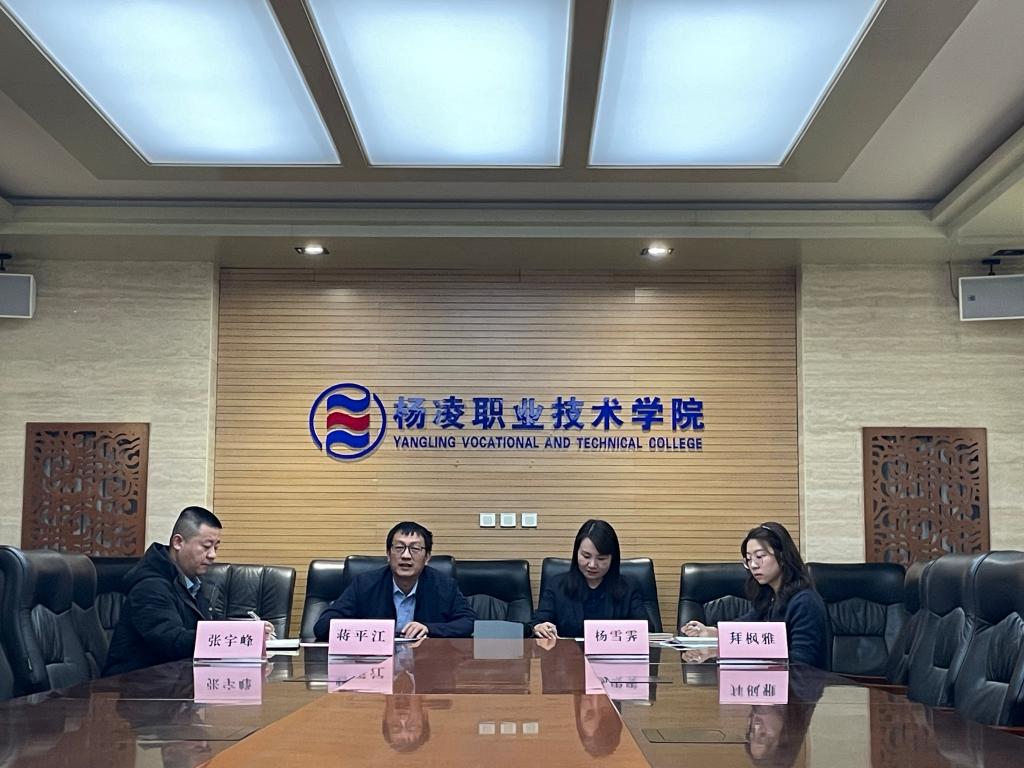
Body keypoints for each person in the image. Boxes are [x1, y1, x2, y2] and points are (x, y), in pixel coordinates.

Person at [103, 506, 272, 676]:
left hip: (175, 681)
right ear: (178, 542)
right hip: (137, 686)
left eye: (216, 547)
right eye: (206, 546)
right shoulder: (149, 587)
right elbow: (173, 641)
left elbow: (209, 626)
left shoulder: (193, 583)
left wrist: (250, 630)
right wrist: (239, 637)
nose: (212, 555)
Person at [680, 521, 828, 668]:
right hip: (773, 679)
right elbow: (746, 625)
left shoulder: (805, 601)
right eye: (749, 559)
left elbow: (801, 662)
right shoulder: (770, 597)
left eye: (760, 556)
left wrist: (721, 652)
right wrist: (710, 631)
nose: (753, 565)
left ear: (783, 556)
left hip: (801, 681)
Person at [313, 521, 476, 640]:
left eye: (415, 549)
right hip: (374, 664)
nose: (406, 555)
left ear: (427, 557)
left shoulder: (444, 586)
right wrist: (372, 631)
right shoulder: (364, 584)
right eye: (399, 548)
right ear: (388, 554)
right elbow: (323, 626)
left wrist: (429, 628)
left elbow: (470, 622)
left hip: (427, 663)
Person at [530, 519, 648, 639]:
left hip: (614, 651)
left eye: (601, 559)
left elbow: (645, 630)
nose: (592, 565)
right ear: (576, 553)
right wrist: (539, 627)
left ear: (613, 558)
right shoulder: (557, 585)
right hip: (568, 651)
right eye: (586, 556)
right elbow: (538, 621)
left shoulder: (628, 587)